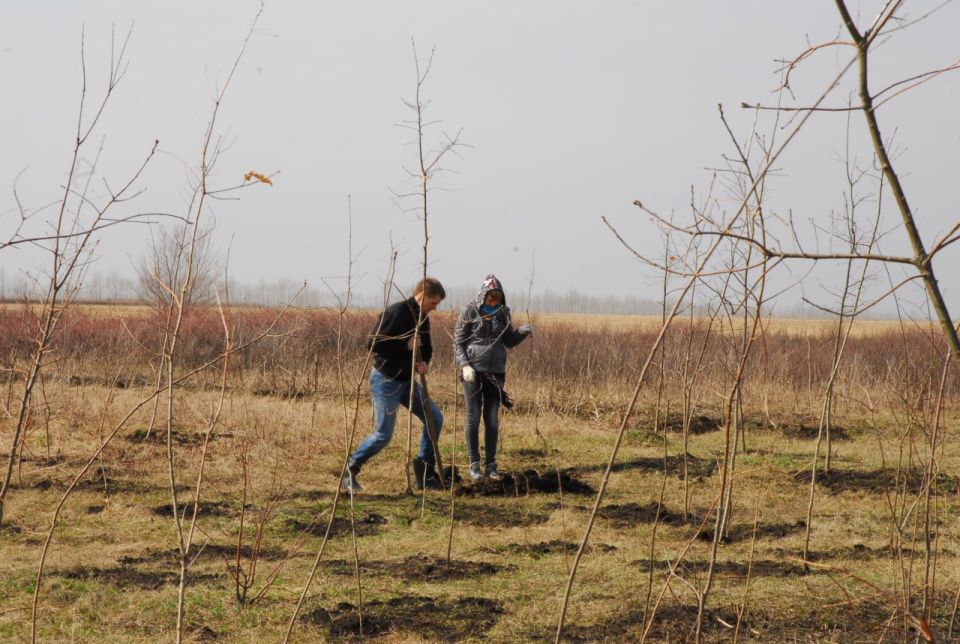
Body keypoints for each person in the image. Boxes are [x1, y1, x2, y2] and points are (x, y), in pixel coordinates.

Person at [341, 277, 446, 494]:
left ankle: (425, 474)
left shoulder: (423, 318)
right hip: (385, 380)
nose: (435, 308)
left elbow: (426, 347)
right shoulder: (397, 312)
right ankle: (350, 469)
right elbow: (373, 343)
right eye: (433, 302)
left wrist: (424, 362)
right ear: (422, 295)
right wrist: (405, 346)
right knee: (384, 434)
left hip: (407, 381)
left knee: (434, 418)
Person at [454, 273, 533, 482]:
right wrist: (464, 365)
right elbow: (458, 342)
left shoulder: (503, 313)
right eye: (490, 299)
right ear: (484, 295)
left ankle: (491, 466)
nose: (493, 303)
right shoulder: (470, 311)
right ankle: (474, 465)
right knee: (473, 417)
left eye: (497, 299)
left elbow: (508, 341)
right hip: (473, 370)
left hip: (496, 371)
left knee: (491, 418)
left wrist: (522, 332)